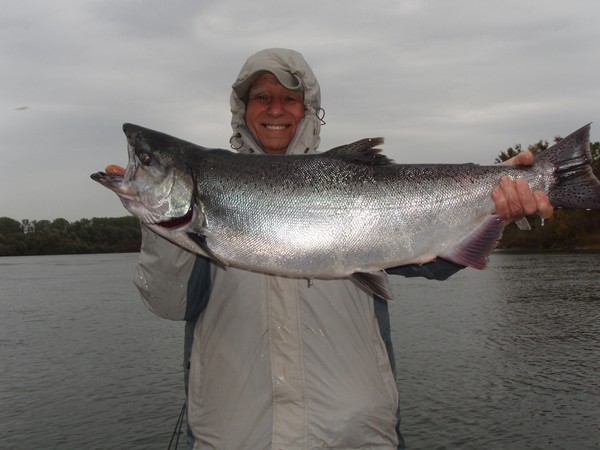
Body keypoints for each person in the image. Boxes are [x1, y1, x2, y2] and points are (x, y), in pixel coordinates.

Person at [133, 48, 553, 450]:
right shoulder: (197, 209)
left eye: (289, 99)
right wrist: (156, 222)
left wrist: (500, 200)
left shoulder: (346, 176)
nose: (275, 109)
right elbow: (171, 303)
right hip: (235, 438)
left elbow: (435, 263)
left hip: (357, 436)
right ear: (242, 110)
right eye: (261, 97)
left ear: (308, 110)